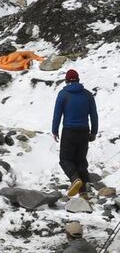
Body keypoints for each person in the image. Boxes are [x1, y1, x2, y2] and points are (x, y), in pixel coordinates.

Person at [52, 69, 98, 197]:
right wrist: (94, 132)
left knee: (65, 159)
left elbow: (57, 114)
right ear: (78, 80)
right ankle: (84, 191)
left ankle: (74, 179)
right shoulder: (87, 95)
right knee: (80, 160)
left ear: (66, 81)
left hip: (69, 131)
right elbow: (94, 115)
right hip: (84, 132)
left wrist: (55, 130)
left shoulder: (63, 94)